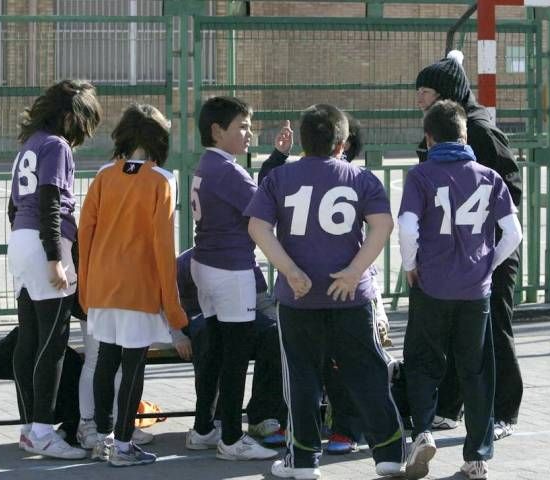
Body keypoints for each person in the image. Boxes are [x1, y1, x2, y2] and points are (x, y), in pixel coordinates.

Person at [246, 103, 405, 480]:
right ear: (342, 143)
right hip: (350, 294)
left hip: (298, 297)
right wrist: (353, 271)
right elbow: (383, 225)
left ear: (302, 139)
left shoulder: (280, 178)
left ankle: (302, 461)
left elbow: (257, 226)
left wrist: (289, 270)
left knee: (301, 378)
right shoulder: (360, 178)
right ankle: (389, 454)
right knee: (367, 371)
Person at [399, 100, 522, 480]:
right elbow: (514, 234)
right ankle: (477, 456)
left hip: (432, 285)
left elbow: (406, 227)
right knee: (477, 370)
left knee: (423, 362)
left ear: (429, 136)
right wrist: (488, 264)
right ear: (465, 135)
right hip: (475, 291)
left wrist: (410, 266)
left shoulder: (420, 176)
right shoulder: (489, 177)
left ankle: (421, 431)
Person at [415, 50, 523, 440]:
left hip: (490, 250)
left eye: (425, 91)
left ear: (445, 93)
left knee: (494, 327)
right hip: (458, 251)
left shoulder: (479, 130)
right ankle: (449, 407)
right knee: (458, 331)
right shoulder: (439, 128)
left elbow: (510, 189)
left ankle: (504, 411)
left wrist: (486, 242)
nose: (419, 98)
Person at [78, 104, 188, 467]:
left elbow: (86, 234)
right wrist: (172, 308)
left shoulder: (104, 176)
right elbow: (163, 246)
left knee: (106, 360)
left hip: (103, 286)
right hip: (138, 288)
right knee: (133, 366)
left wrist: (86, 290)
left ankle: (102, 438)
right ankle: (123, 444)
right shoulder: (162, 180)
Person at [7, 79, 101, 460]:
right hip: (46, 243)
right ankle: (44, 431)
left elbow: (15, 208)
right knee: (53, 341)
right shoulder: (56, 146)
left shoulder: (28, 144)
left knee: (30, 338)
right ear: (68, 117)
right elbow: (50, 202)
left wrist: (28, 248)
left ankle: (31, 427)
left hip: (20, 240)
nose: (83, 133)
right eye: (84, 122)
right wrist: (54, 258)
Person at [186, 96, 277, 461]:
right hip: (230, 270)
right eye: (241, 126)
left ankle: (203, 429)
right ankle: (231, 438)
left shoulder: (207, 165)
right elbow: (264, 211)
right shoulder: (227, 170)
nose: (249, 133)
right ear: (217, 130)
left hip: (205, 265)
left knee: (216, 351)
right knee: (235, 356)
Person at [171, 248, 287, 446]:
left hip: (242, 313)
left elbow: (261, 301)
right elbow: (167, 301)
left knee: (273, 335)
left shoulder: (248, 260)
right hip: (198, 316)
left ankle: (262, 416)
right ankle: (214, 418)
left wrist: (280, 328)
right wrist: (177, 335)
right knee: (212, 337)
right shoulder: (185, 262)